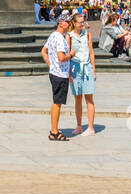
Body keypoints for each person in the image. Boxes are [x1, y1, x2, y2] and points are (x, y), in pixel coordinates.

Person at [41, 12, 74, 141]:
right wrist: (71, 55)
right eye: (68, 22)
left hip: (55, 73)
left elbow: (43, 51)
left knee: (57, 102)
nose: (69, 24)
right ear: (61, 23)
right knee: (57, 103)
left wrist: (50, 65)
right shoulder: (60, 38)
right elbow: (61, 58)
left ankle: (54, 130)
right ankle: (54, 131)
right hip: (60, 74)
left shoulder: (53, 36)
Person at [69, 8, 96, 136]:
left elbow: (91, 52)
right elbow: (67, 54)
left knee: (89, 98)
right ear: (74, 23)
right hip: (75, 68)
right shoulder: (69, 36)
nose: (82, 24)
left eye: (83, 22)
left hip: (87, 67)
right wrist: (68, 72)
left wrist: (94, 70)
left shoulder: (88, 34)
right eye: (79, 22)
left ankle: (90, 127)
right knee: (78, 98)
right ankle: (79, 125)